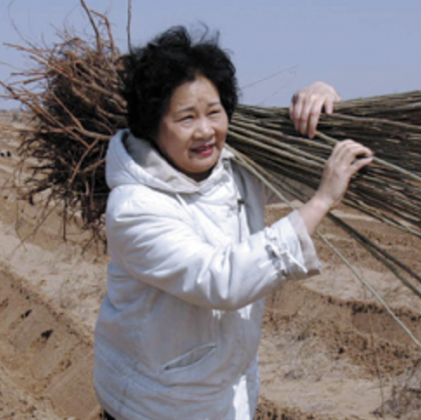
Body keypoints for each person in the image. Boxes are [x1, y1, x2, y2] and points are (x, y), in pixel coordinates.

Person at [93, 26, 373, 420]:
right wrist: (321, 202)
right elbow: (221, 280)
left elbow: (326, 167)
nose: (205, 130)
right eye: (186, 118)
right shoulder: (134, 206)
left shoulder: (233, 170)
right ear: (152, 126)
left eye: (214, 111)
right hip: (156, 406)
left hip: (228, 399)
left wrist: (324, 105)